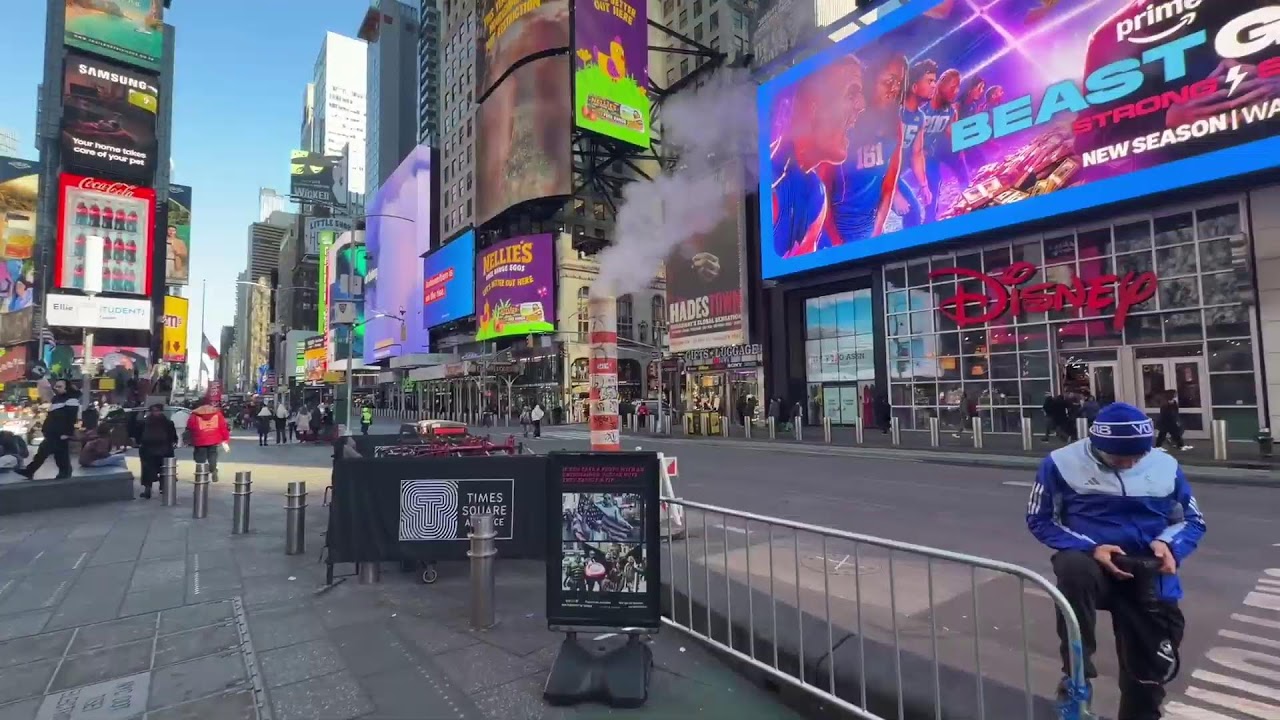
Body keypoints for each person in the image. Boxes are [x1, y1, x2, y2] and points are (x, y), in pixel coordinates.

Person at [1026, 402, 1204, 719]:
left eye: (1137, 456)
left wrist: (1168, 544)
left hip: (1146, 570)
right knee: (1072, 568)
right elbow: (1040, 519)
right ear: (1096, 445)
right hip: (1092, 564)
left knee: (1147, 674)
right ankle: (1077, 675)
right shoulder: (1061, 463)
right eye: (1118, 457)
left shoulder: (1165, 465)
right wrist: (1091, 547)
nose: (1128, 463)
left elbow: (1192, 520)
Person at [19, 379, 79, 479]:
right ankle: (65, 472)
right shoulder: (57, 399)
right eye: (56, 386)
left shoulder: (71, 400)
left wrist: (67, 433)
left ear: (66, 388)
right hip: (53, 432)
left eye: (60, 387)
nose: (56, 388)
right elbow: (52, 416)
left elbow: (71, 418)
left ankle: (30, 470)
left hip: (59, 433)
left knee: (44, 451)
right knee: (60, 454)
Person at [133, 403, 177, 499]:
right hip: (163, 450)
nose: (156, 413)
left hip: (149, 450)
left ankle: (149, 489)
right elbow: (173, 437)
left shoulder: (145, 422)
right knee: (163, 469)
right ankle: (161, 488)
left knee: (148, 470)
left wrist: (139, 443)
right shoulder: (167, 422)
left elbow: (137, 435)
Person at [187, 397, 230, 481]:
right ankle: (213, 470)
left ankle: (201, 475)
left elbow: (190, 426)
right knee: (212, 456)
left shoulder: (195, 414)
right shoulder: (217, 413)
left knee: (200, 458)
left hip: (199, 440)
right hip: (214, 439)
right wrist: (225, 438)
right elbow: (223, 427)